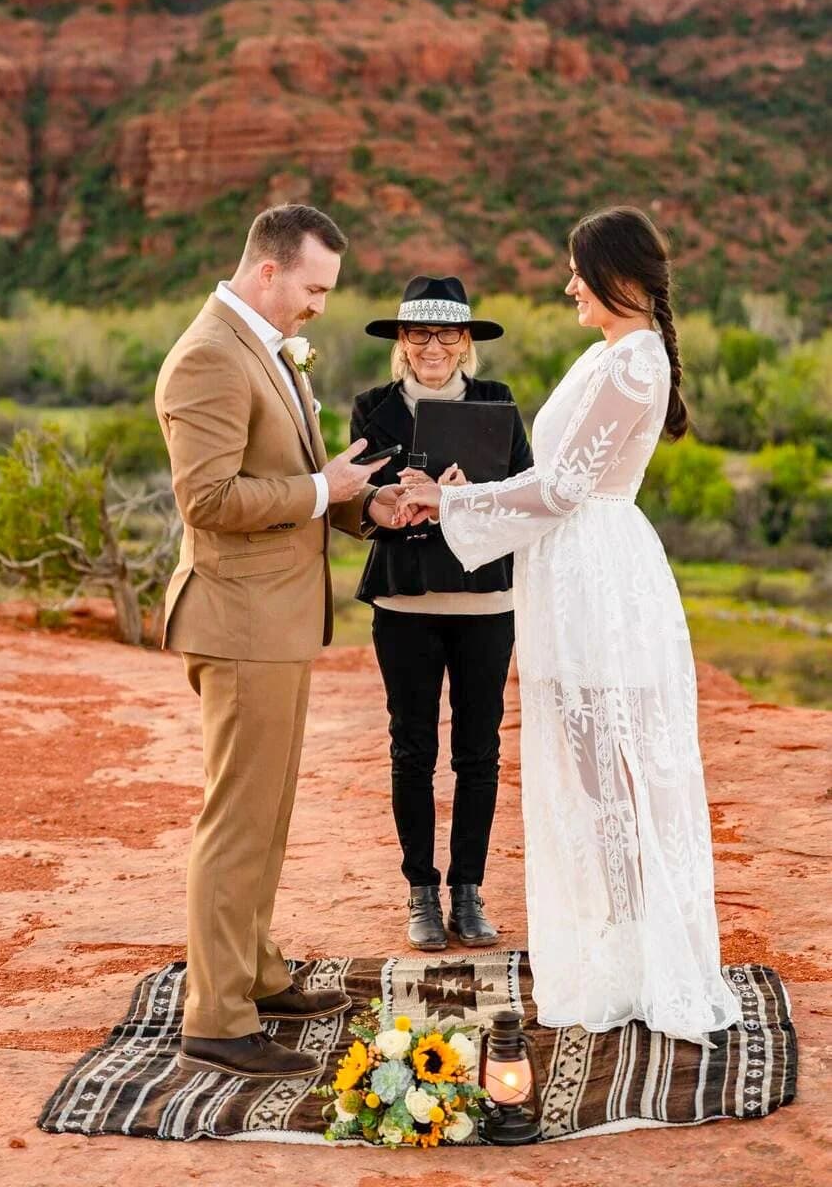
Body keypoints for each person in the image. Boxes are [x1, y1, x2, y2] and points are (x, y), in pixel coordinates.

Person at [395, 210, 742, 1042]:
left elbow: (558, 493)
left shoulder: (631, 365)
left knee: (615, 775)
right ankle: (618, 954)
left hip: (597, 578)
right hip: (569, 569)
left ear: (618, 276)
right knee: (593, 780)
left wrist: (452, 502)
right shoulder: (608, 355)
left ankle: (651, 962)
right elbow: (545, 477)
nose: (567, 286)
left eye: (577, 272)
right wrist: (469, 487)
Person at [155, 204, 402, 1081]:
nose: (320, 308)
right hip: (238, 621)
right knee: (235, 819)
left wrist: (366, 503)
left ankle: (253, 972)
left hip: (278, 622)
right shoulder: (208, 358)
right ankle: (216, 1016)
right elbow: (210, 501)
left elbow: (296, 482)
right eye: (314, 288)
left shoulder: (263, 347)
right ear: (269, 271)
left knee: (268, 812)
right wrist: (315, 486)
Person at [351, 276, 532, 952]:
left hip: (486, 599)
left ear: (466, 342)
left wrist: (470, 497)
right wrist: (400, 499)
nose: (433, 346)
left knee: (478, 751)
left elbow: (524, 494)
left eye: (447, 334)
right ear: (401, 341)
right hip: (404, 599)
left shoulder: (498, 407)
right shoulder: (372, 409)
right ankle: (421, 894)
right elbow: (362, 497)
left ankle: (468, 890)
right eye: (419, 333)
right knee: (412, 748)